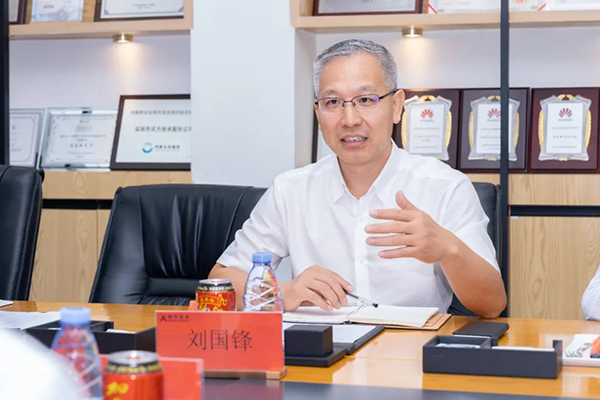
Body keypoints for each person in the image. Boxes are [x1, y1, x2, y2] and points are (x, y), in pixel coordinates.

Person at [209, 39, 507, 318]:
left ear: (396, 106)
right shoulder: (291, 190)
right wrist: (281, 292)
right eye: (332, 102)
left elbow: (492, 305)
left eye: (365, 99)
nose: (349, 119)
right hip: (320, 351)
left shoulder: (445, 187)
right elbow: (220, 280)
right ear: (318, 112)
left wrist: (446, 248)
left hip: (413, 352)